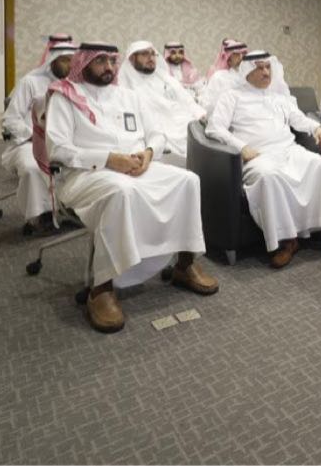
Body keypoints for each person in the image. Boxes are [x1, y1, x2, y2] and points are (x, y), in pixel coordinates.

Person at [43, 42, 218, 333]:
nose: (109, 68)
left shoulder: (128, 96)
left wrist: (148, 153)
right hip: (86, 173)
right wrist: (110, 159)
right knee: (121, 192)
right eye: (100, 61)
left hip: (137, 166)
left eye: (112, 61)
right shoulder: (65, 96)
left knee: (187, 180)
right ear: (83, 63)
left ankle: (184, 264)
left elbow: (156, 133)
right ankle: (101, 288)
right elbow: (58, 149)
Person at [206, 50, 321, 268]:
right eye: (259, 68)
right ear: (247, 71)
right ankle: (286, 241)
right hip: (258, 155)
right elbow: (215, 128)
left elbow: (299, 119)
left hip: (289, 150)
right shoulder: (232, 96)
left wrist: (318, 129)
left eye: (268, 67)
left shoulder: (279, 96)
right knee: (269, 176)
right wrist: (242, 147)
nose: (266, 72)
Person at [0, 40, 76, 226]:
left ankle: (75, 208)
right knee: (33, 168)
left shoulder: (76, 86)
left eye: (73, 61)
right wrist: (36, 135)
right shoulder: (30, 83)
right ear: (52, 60)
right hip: (30, 142)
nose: (70, 65)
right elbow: (10, 120)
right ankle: (42, 214)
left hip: (66, 142)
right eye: (65, 60)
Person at [118, 41, 207, 166]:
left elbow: (187, 100)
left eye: (152, 54)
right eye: (144, 54)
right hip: (159, 131)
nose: (150, 58)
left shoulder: (166, 78)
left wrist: (201, 114)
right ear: (132, 58)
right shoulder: (126, 86)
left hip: (184, 124)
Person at [200, 38, 249, 115]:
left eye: (243, 54)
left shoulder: (248, 76)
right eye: (236, 54)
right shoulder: (219, 76)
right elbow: (208, 104)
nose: (241, 57)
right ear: (228, 58)